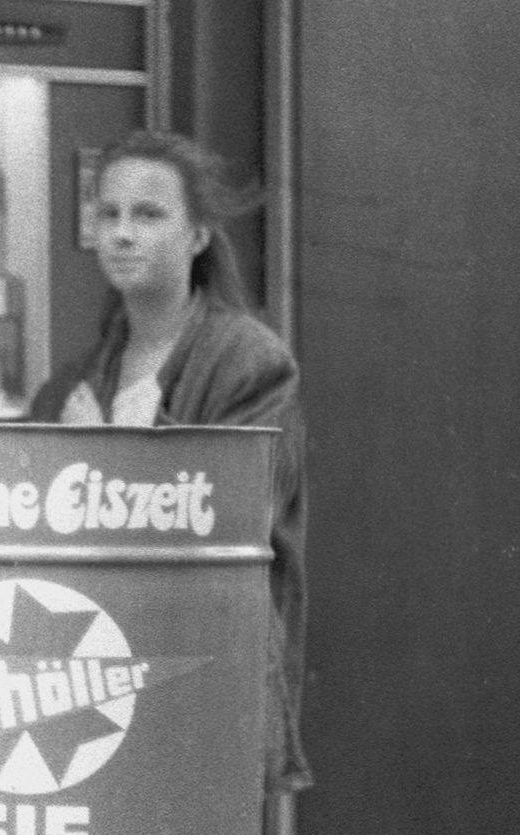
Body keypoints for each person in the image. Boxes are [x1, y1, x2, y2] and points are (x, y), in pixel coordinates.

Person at [29, 129, 310, 791]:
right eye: (110, 214)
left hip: (203, 689)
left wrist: (97, 459)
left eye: (149, 215)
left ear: (199, 236)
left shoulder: (250, 364)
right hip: (94, 688)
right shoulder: (70, 384)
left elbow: (224, 521)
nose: (124, 233)